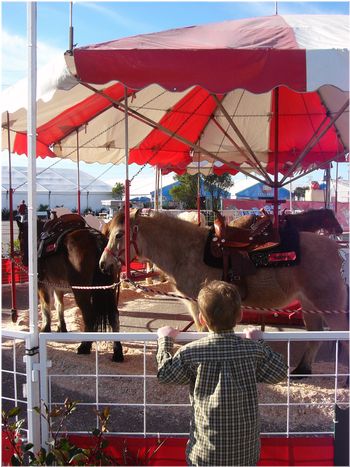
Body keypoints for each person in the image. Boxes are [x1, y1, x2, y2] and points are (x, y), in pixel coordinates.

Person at [156, 280, 288, 466]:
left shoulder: (191, 352)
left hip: (204, 455)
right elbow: (280, 372)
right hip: (245, 455)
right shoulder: (252, 351)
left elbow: (165, 375)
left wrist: (165, 341)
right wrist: (259, 342)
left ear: (201, 318)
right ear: (240, 315)